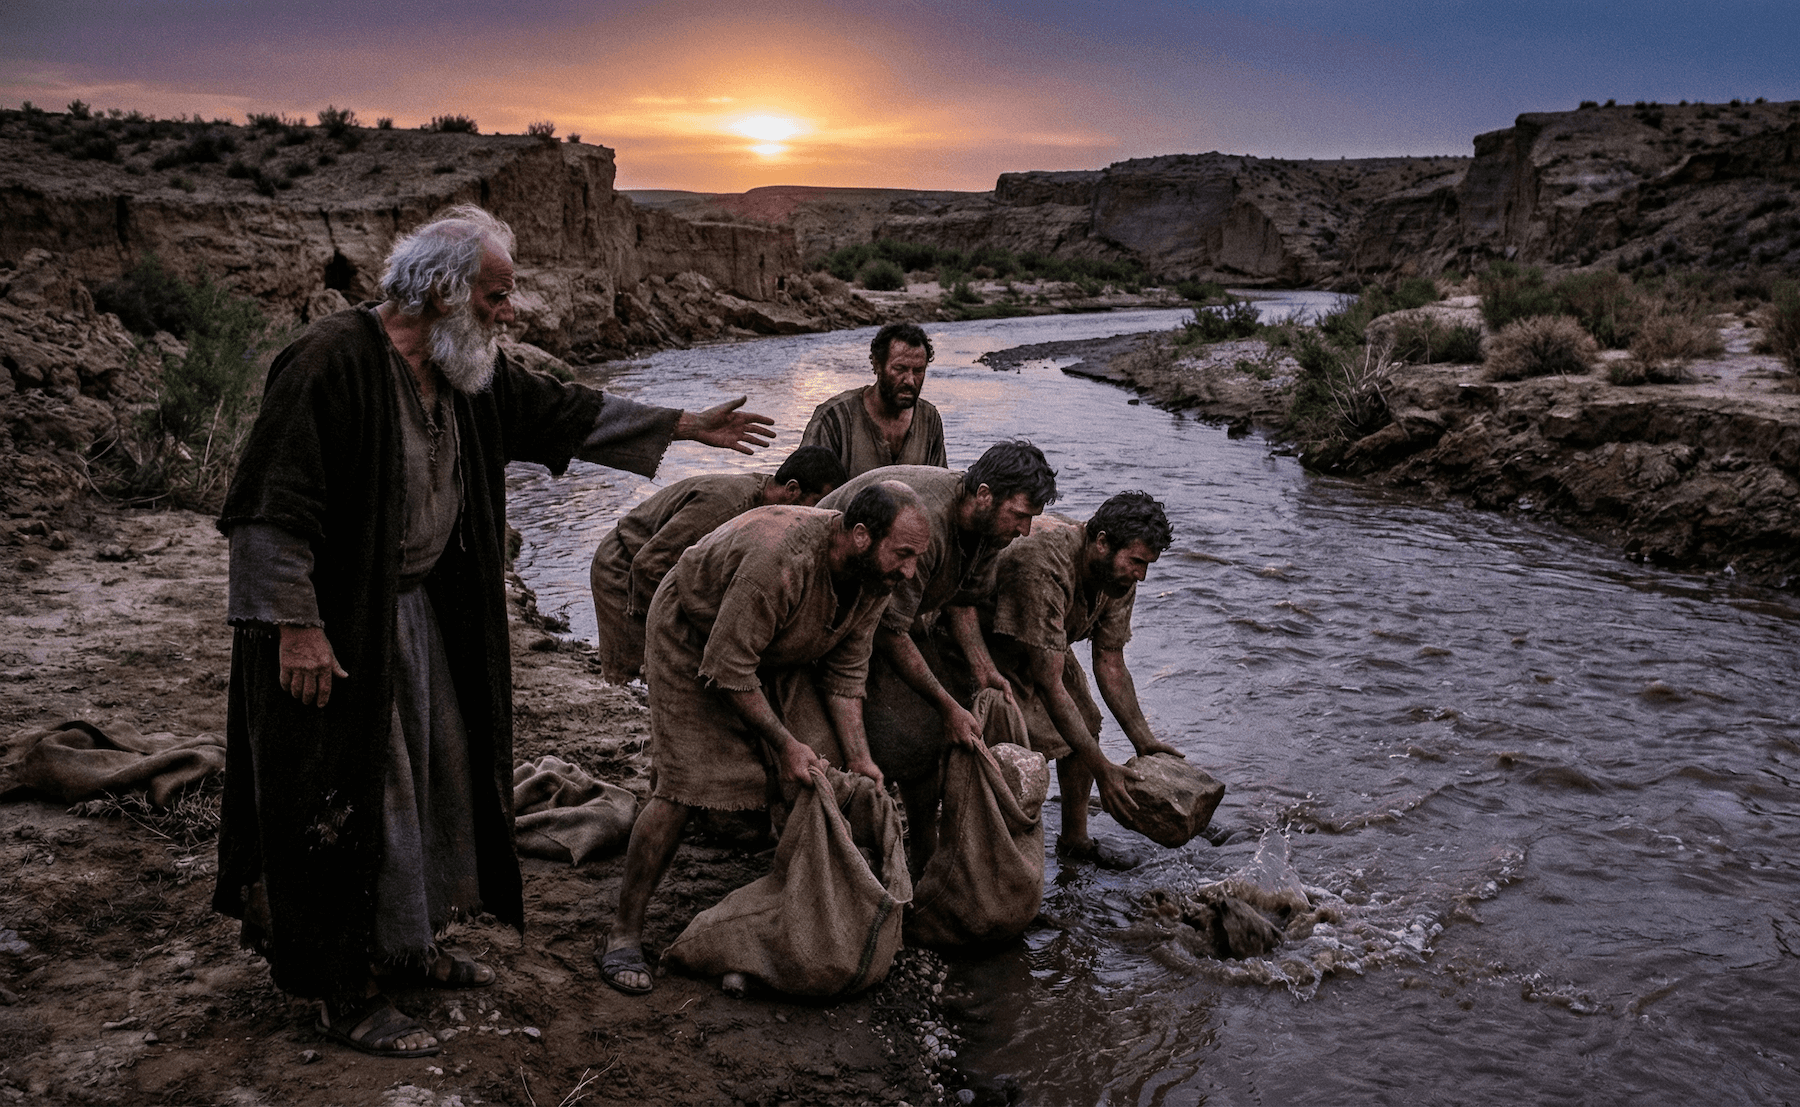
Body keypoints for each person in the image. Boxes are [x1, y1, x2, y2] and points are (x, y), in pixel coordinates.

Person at [213, 204, 774, 1058]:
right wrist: (295, 626)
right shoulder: (328, 362)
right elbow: (268, 509)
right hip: (333, 627)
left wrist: (687, 425)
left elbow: (561, 411)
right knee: (346, 797)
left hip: (420, 619)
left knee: (437, 780)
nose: (511, 313)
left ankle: (409, 944)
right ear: (441, 291)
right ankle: (341, 988)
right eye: (498, 296)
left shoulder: (463, 370)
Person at [599, 483, 931, 995]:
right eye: (903, 554)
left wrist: (862, 761)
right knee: (683, 787)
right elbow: (728, 668)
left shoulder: (874, 580)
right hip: (693, 638)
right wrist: (784, 744)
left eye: (917, 558)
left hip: (775, 650)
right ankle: (624, 933)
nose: (910, 571)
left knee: (825, 771)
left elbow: (845, 676)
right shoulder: (780, 559)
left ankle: (783, 934)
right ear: (861, 536)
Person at [815, 440, 1058, 867]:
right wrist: (945, 705)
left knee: (936, 730)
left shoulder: (988, 531)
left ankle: (923, 848)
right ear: (985, 495)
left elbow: (961, 600)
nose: (1024, 530)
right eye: (1019, 515)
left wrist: (985, 671)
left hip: (888, 611)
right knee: (910, 730)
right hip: (834, 595)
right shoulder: (924, 527)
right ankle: (866, 842)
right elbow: (889, 631)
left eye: (1030, 519)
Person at [979, 491, 1184, 859]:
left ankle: (1075, 840)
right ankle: (994, 844)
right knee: (1010, 736)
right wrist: (1104, 770)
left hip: (1048, 644)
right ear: (1101, 542)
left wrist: (1144, 742)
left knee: (1085, 723)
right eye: (1137, 561)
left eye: (1148, 564)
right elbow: (1049, 683)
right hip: (990, 640)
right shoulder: (1043, 561)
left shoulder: (1118, 577)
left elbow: (1110, 660)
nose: (1142, 574)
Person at [588, 446, 847, 684]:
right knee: (634, 675)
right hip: (623, 564)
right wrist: (659, 633)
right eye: (818, 504)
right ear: (792, 490)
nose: (819, 516)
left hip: (649, 562)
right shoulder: (725, 506)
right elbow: (649, 564)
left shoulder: (768, 503)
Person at [801, 322, 946, 478]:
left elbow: (940, 487)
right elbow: (803, 492)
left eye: (918, 370)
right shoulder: (834, 418)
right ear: (877, 365)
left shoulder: (929, 419)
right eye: (899, 369)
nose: (910, 381)